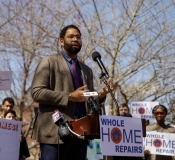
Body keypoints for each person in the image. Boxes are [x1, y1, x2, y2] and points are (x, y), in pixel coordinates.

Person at [31, 24, 117, 160]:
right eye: (71, 36)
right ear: (61, 41)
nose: (75, 39)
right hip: (55, 133)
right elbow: (36, 92)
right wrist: (70, 96)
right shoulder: (48, 62)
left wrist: (102, 94)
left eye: (78, 37)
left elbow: (87, 99)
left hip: (80, 135)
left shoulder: (87, 70)